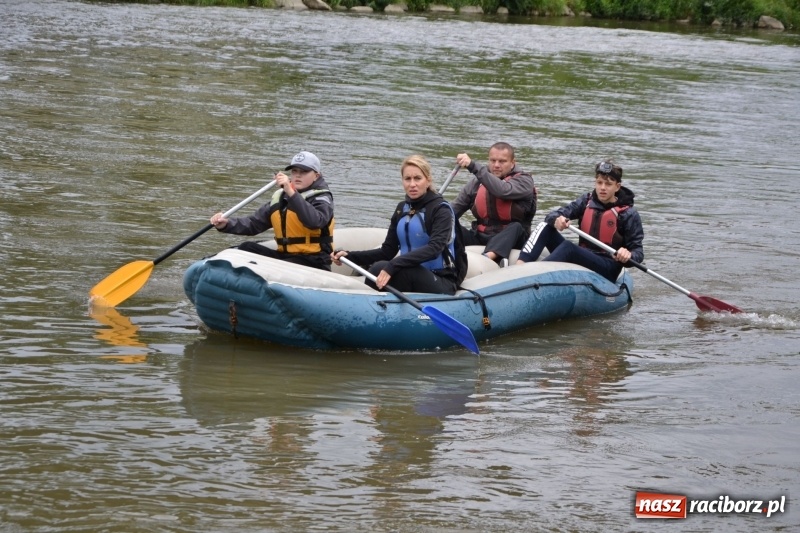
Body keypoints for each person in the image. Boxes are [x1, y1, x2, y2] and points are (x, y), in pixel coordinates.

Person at [331, 155, 467, 295]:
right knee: (376, 269)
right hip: (410, 271)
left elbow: (435, 249)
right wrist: (350, 256)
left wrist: (394, 264)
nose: (412, 184)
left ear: (428, 180)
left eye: (417, 178)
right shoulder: (402, 209)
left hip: (441, 279)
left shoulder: (441, 210)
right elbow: (387, 251)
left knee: (403, 272)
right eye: (407, 179)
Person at [516, 160, 644, 282]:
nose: (603, 188)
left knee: (568, 248)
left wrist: (628, 255)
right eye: (599, 183)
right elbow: (552, 215)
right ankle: (519, 267)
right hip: (584, 256)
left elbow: (638, 253)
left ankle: (533, 277)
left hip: (608, 266)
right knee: (545, 226)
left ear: (617, 187)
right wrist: (557, 220)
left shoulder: (628, 214)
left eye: (608, 184)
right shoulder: (586, 201)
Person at [210, 151, 334, 271]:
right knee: (246, 247)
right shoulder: (281, 197)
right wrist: (226, 224)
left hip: (314, 260)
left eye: (304, 172)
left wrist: (291, 192)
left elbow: (315, 221)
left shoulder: (322, 198)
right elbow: (254, 224)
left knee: (283, 266)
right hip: (286, 256)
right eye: (294, 171)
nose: (298, 175)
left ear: (316, 175)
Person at [450, 142, 537, 266]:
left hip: (513, 239)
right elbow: (453, 211)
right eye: (493, 160)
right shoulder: (476, 183)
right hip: (480, 237)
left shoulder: (524, 181)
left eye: (502, 161)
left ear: (513, 163)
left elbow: (502, 191)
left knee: (516, 227)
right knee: (448, 222)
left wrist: (473, 166)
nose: (496, 165)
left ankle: (487, 259)